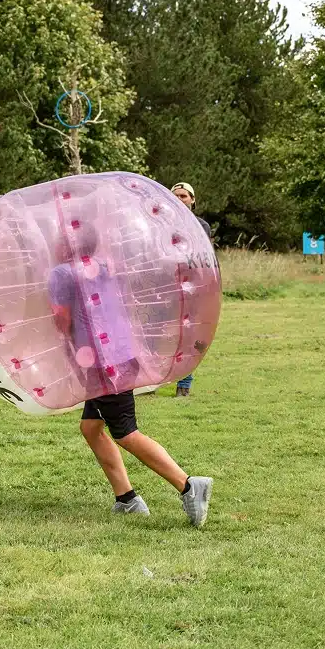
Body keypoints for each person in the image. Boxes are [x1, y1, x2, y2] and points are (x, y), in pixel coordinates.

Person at [49, 255, 213, 526]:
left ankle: (188, 485)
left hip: (100, 362)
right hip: (122, 354)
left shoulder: (62, 273)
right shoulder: (104, 264)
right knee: (91, 427)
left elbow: (62, 319)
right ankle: (127, 499)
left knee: (125, 432)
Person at [170, 182, 212, 397]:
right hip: (167, 287)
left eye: (184, 196)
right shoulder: (158, 225)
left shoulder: (201, 226)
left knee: (189, 336)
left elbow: (202, 258)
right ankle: (148, 383)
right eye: (175, 195)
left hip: (193, 288)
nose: (179, 199)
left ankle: (184, 385)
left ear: (192, 200)